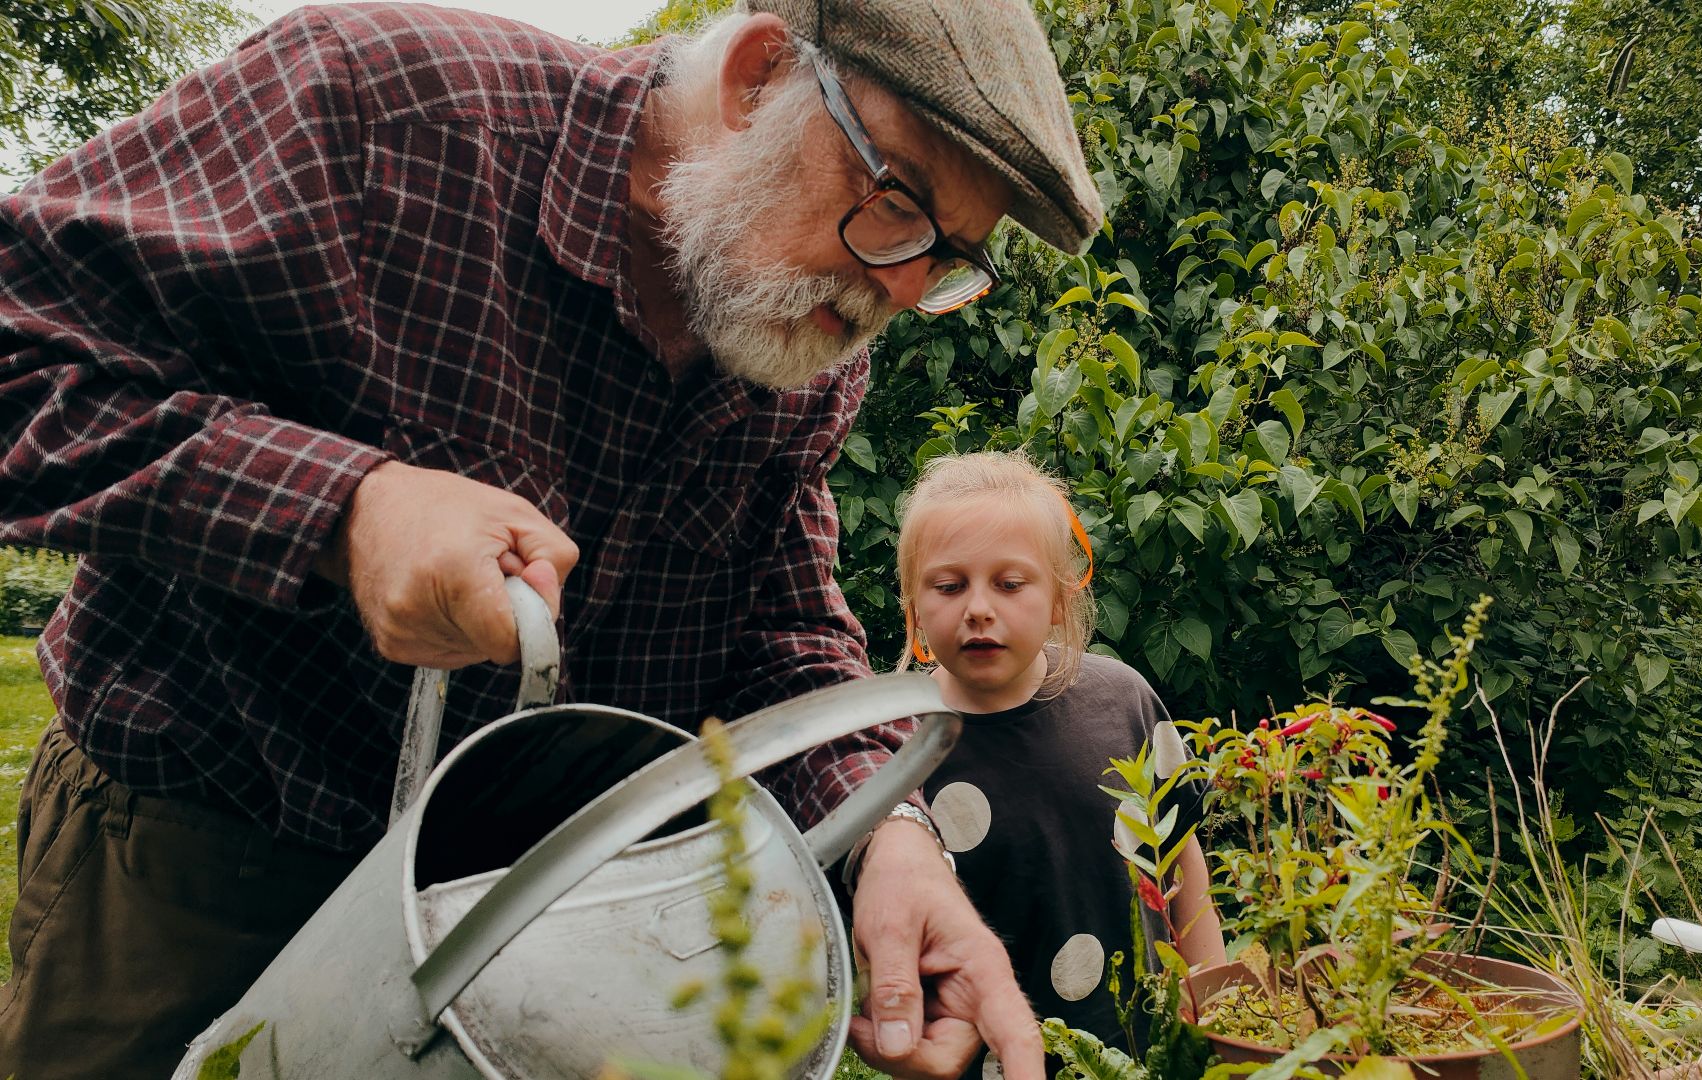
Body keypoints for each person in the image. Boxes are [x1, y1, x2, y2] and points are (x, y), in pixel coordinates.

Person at [0, 1, 1104, 1076]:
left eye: (949, 254)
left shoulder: (801, 337)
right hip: (193, 864)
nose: (900, 285)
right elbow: (24, 348)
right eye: (897, 199)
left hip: (521, 919)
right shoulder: (389, 109)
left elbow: (777, 628)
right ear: (758, 77)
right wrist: (348, 510)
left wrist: (888, 834)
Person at [892, 452, 1227, 1071]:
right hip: (982, 1063)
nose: (978, 608)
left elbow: (1181, 859)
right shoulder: (893, 744)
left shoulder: (1122, 701)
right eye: (949, 585)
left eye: (1010, 583)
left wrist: (1209, 995)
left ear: (1058, 600)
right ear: (914, 605)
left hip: (1141, 1048)